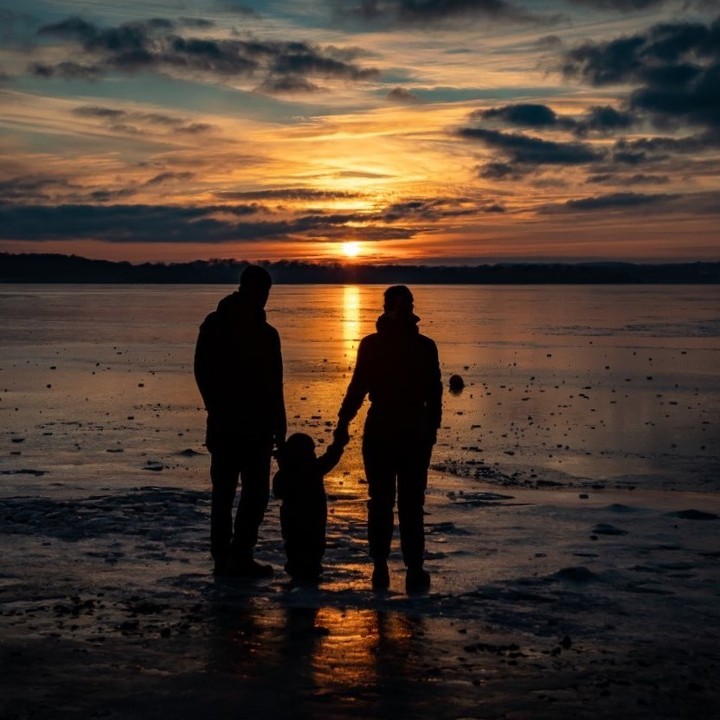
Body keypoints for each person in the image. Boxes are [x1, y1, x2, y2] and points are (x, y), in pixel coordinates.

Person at [335, 285, 442, 592]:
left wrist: (432, 427)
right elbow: (358, 386)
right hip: (386, 424)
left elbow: (434, 391)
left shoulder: (424, 346)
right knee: (386, 501)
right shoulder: (374, 345)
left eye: (407, 304)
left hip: (410, 427)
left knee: (407, 501)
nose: (404, 308)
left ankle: (411, 566)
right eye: (400, 304)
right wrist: (343, 422)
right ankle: (382, 565)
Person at [194, 265, 286, 578]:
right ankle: (226, 557)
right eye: (262, 291)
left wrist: (280, 426)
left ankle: (238, 555)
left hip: (257, 427)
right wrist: (215, 408)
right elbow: (202, 371)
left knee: (254, 494)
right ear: (248, 289)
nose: (264, 298)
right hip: (229, 425)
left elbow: (276, 384)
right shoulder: (216, 325)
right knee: (225, 492)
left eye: (267, 292)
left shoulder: (267, 333)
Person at [273, 432, 346, 584]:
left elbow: (278, 492)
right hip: (312, 519)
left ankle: (298, 569)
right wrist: (339, 443)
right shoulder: (314, 469)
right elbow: (331, 457)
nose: (313, 454)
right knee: (312, 544)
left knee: (294, 544)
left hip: (292, 518)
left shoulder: (284, 474)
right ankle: (307, 569)